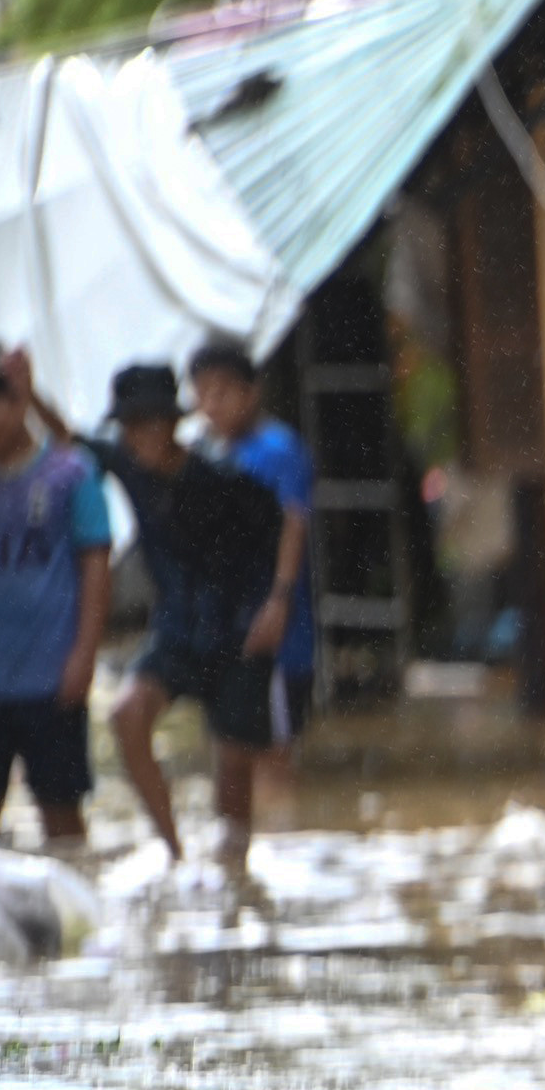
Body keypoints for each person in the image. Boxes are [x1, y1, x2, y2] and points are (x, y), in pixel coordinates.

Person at [20, 358, 290, 872]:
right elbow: (68, 441)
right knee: (126, 715)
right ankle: (175, 854)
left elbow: (282, 531)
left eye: (148, 425)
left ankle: (235, 876)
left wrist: (276, 605)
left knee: (234, 774)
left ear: (171, 424)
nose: (139, 437)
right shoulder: (127, 465)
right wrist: (31, 393)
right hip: (178, 634)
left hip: (237, 639)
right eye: (130, 427)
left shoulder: (223, 479)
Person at [0, 345, 112, 850]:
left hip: (50, 672)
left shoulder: (70, 475)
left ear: (19, 399)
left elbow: (96, 567)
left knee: (62, 815)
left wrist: (84, 655)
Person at [189, 337, 315, 820]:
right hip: (224, 628)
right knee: (231, 750)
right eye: (204, 394)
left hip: (274, 630)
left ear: (251, 392)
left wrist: (279, 600)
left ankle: (280, 842)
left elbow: (294, 522)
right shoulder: (202, 454)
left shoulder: (278, 450)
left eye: (223, 392)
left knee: (273, 750)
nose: (212, 405)